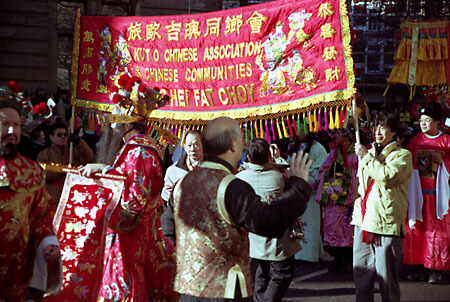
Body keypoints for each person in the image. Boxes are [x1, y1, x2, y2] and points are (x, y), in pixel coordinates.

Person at [170, 117, 313, 302]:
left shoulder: (182, 182)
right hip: (223, 289)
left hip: (189, 288)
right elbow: (270, 222)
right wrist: (298, 185)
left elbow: (168, 228)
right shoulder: (231, 186)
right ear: (233, 146)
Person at [78, 120, 178, 301]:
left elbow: (136, 198)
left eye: (116, 122)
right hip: (135, 227)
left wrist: (105, 171)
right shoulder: (135, 148)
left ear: (126, 125)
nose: (113, 126)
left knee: (126, 273)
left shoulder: (139, 151)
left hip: (131, 231)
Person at [0, 101, 61, 301]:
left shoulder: (31, 171)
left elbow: (41, 216)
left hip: (16, 272)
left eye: (16, 125)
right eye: (5, 124)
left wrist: (48, 243)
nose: (12, 130)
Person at [352, 112, 412, 302]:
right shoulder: (368, 153)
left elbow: (386, 177)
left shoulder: (403, 155)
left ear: (393, 131)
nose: (377, 131)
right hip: (363, 219)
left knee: (387, 280)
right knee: (361, 277)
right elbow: (360, 186)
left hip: (385, 222)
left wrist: (367, 158)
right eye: (375, 127)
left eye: (383, 127)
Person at [236, 138, 301, 302]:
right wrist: (278, 158)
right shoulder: (278, 176)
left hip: (253, 236)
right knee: (281, 274)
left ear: (248, 157)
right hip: (276, 237)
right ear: (268, 155)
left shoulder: (240, 177)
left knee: (262, 272)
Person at [403, 101, 450, 284]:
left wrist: (445, 160)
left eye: (427, 120)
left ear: (437, 122)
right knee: (417, 229)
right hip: (417, 195)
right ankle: (417, 267)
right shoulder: (415, 141)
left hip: (438, 196)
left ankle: (435, 268)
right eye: (421, 120)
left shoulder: (446, 141)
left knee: (437, 231)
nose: (423, 123)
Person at [316, 128, 358, 271]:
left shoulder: (357, 154)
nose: (335, 136)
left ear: (347, 136)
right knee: (332, 227)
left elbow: (360, 174)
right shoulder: (334, 153)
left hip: (348, 199)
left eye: (338, 133)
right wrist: (330, 171)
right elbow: (323, 170)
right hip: (333, 198)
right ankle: (337, 258)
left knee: (347, 228)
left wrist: (345, 172)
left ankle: (347, 259)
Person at [291, 133, 328, 263]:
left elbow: (322, 168)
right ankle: (298, 252)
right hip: (296, 191)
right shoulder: (293, 147)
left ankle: (309, 254)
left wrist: (303, 177)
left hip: (310, 193)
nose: (299, 131)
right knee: (298, 222)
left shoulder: (318, 148)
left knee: (311, 223)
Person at [36, 121, 94, 204]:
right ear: (51, 137)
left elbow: (89, 158)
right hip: (53, 197)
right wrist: (62, 170)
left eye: (65, 135)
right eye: (59, 135)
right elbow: (41, 174)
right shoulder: (43, 154)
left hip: (73, 195)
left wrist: (79, 142)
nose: (63, 137)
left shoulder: (73, 151)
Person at [161, 130, 203, 203]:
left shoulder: (213, 168)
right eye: (189, 145)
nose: (192, 149)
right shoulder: (173, 170)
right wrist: (168, 193)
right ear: (184, 146)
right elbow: (164, 195)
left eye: (196, 145)